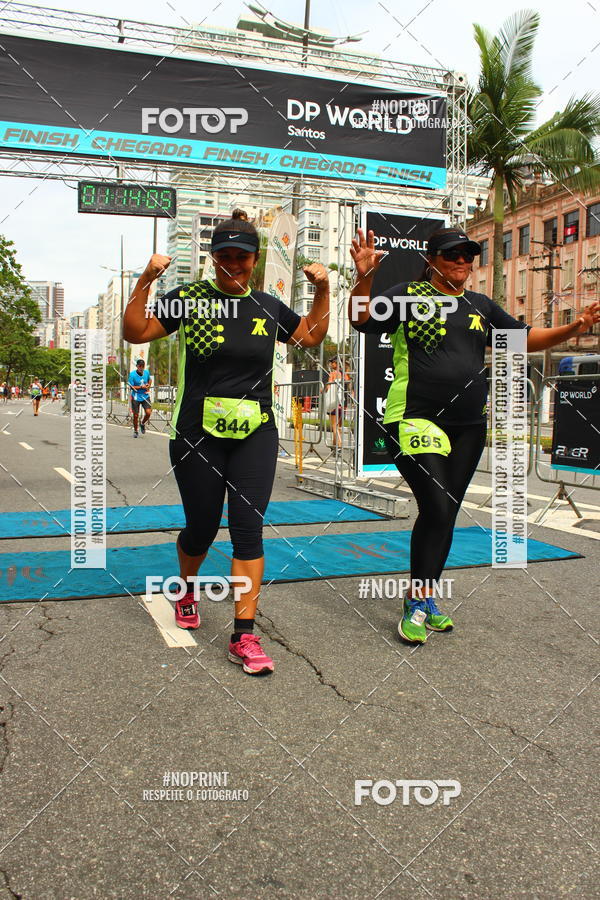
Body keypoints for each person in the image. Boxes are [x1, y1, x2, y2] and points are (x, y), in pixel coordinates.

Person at [349, 226, 600, 645]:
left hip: (469, 426)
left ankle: (424, 596)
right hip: (413, 419)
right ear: (432, 259)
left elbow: (523, 339)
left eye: (469, 255)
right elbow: (360, 319)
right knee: (439, 507)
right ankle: (415, 601)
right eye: (452, 255)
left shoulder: (479, 305)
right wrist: (363, 276)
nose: (462, 262)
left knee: (444, 512)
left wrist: (574, 327)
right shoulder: (408, 295)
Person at [123, 209, 330, 675]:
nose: (232, 264)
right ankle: (187, 587)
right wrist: (146, 279)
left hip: (255, 432)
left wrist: (323, 290)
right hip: (197, 434)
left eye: (241, 257)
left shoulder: (268, 305)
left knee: (247, 529)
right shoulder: (190, 298)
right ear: (213, 258)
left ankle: (245, 634)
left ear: (254, 260)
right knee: (201, 528)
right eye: (224, 256)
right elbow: (135, 331)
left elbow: (313, 337)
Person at [128, 358, 152, 437]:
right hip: (136, 396)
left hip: (145, 395)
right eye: (140, 366)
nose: (141, 368)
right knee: (136, 415)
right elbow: (131, 386)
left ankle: (142, 423)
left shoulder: (146, 372)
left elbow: (150, 380)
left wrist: (148, 385)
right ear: (137, 366)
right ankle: (135, 431)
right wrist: (141, 387)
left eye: (143, 366)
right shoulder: (132, 374)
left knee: (148, 412)